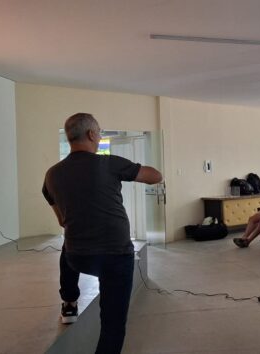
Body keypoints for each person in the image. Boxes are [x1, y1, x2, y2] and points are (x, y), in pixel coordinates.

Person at [42, 113, 162, 354]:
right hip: (115, 257)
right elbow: (155, 176)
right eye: (99, 131)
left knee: (67, 247)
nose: (99, 136)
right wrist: (130, 170)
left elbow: (62, 220)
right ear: (91, 134)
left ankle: (69, 301)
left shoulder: (52, 173)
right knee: (113, 325)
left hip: (78, 257)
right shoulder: (110, 163)